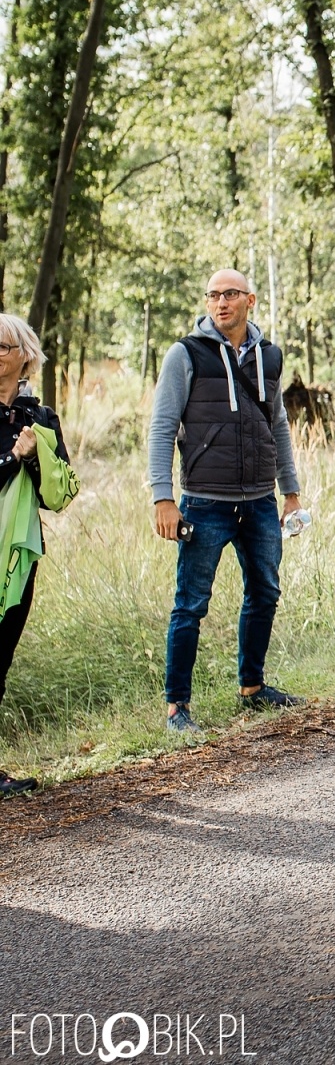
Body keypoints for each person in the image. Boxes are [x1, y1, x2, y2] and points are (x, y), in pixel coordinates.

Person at [149, 270, 304, 734]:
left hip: (259, 502)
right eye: (214, 295)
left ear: (249, 300)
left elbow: (277, 426)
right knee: (190, 604)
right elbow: (161, 428)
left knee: (265, 593)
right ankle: (177, 707)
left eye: (230, 294)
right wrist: (163, 497)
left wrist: (290, 493)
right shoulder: (185, 353)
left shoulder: (269, 356)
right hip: (203, 503)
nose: (221, 303)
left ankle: (252, 688)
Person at [0, 314, 75, 798]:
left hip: (16, 561)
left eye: (3, 347)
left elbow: (60, 494)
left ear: (25, 354)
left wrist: (33, 454)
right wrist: (12, 457)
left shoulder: (41, 419)